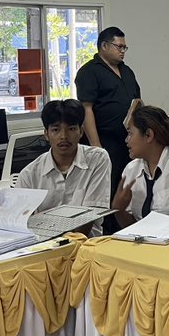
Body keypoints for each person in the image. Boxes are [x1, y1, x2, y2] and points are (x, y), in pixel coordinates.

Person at [16, 99, 111, 235]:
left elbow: (88, 218)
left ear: (81, 131)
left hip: (86, 242)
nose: (64, 136)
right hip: (44, 242)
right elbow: (19, 221)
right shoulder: (29, 174)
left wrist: (69, 244)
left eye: (71, 129)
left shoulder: (97, 159)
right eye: (56, 130)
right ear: (46, 134)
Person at [74, 26, 141, 204]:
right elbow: (86, 109)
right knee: (107, 189)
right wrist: (96, 146)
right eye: (119, 46)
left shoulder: (127, 71)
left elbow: (137, 102)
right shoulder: (89, 72)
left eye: (125, 47)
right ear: (104, 46)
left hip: (128, 140)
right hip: (105, 140)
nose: (123, 51)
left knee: (128, 186)